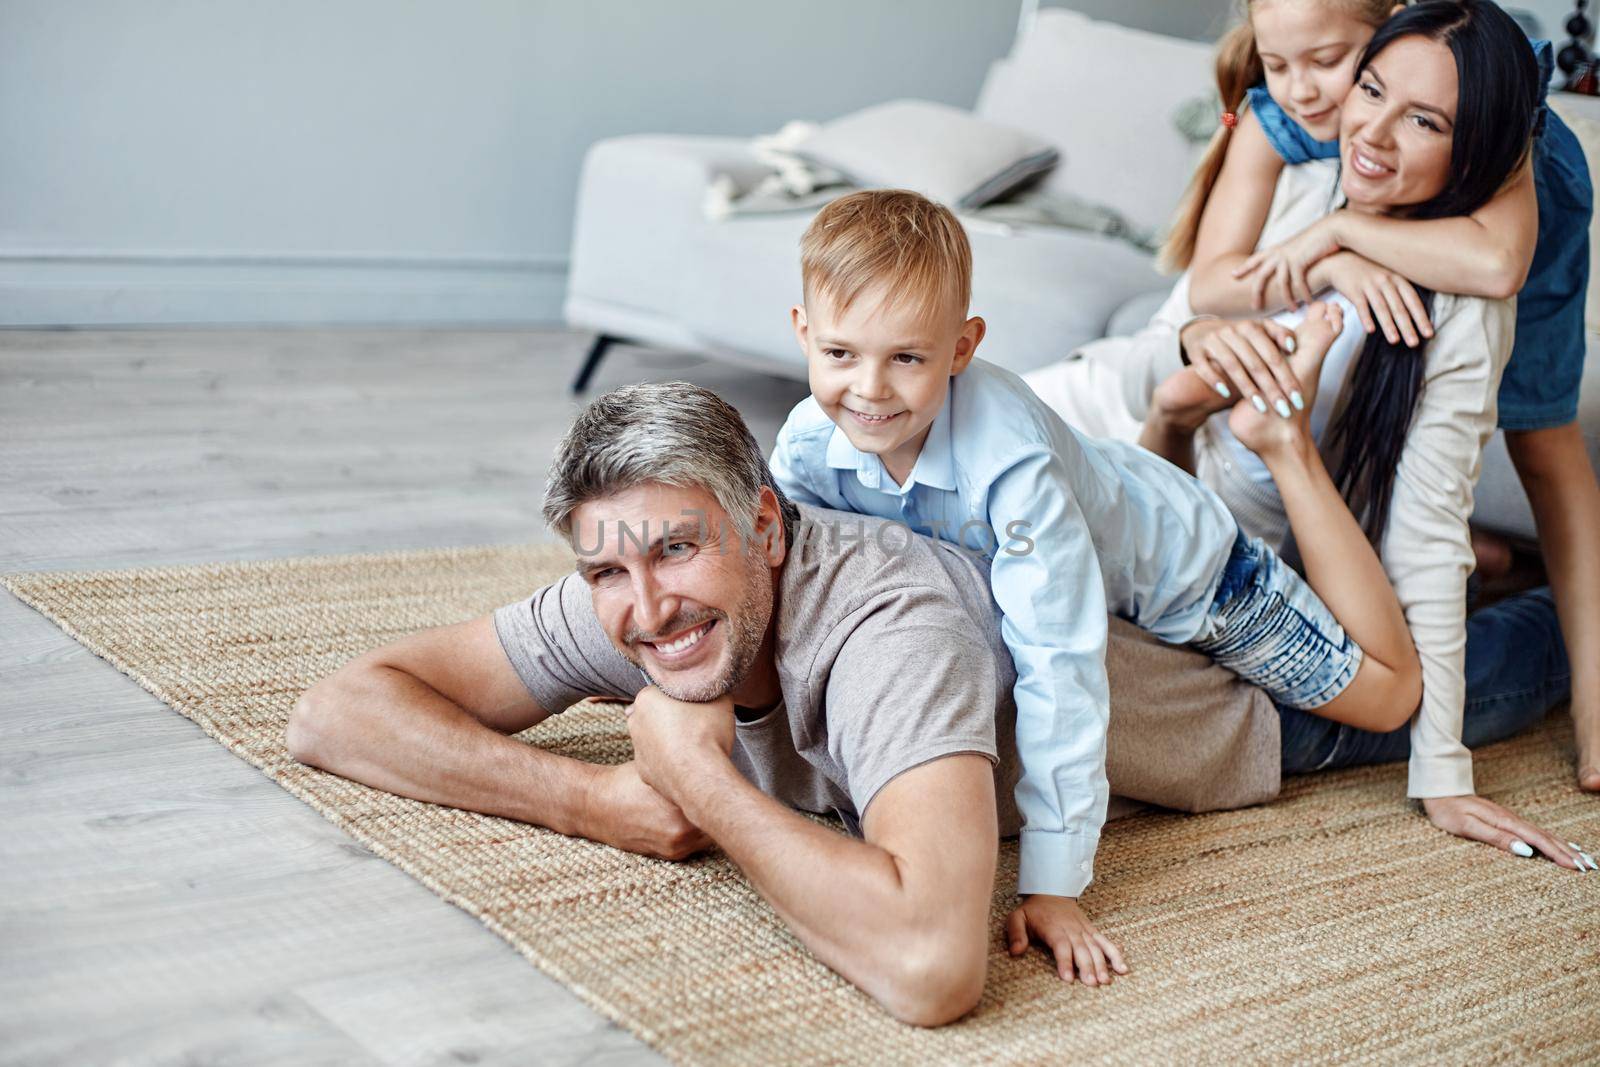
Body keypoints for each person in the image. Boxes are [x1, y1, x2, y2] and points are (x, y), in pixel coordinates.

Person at [285, 380, 1290, 1026]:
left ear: (763, 522)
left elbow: (932, 963)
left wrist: (696, 783)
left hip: (1259, 711)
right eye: (606, 569)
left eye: (679, 547)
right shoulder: (638, 594)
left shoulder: (890, 627)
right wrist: (593, 802)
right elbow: (335, 714)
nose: (646, 610)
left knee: (1424, 667)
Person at [769, 188, 1422, 985]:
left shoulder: (1010, 465)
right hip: (1101, 545)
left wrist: (1053, 881)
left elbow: (1061, 667)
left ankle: (1281, 438)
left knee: (1390, 699)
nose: (869, 389)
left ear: (963, 346)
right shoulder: (807, 444)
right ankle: (1176, 425)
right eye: (840, 354)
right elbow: (788, 576)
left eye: (907, 357)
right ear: (803, 333)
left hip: (1194, 574)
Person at [1024, 1, 1591, 871]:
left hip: (1247, 542)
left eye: (1424, 119)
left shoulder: (1457, 291)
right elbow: (1164, 361)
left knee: (1384, 688)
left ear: (1472, 148)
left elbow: (1424, 533)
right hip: (1155, 457)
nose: (1363, 126)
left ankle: (1552, 620)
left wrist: (1442, 771)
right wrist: (1192, 377)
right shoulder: (1297, 156)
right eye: (1370, 90)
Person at [1170, 0, 1599, 795]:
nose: (1307, 93)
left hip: (1521, 197)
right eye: (1279, 63)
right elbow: (1213, 283)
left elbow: (1500, 263)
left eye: (1327, 62)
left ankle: (1595, 706)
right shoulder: (1304, 112)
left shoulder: (1489, 110)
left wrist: (1339, 235)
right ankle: (1490, 566)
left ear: (1390, 19)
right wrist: (1335, 256)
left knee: (1539, 436)